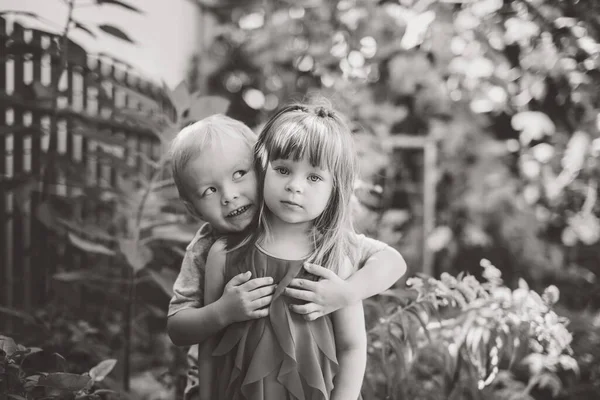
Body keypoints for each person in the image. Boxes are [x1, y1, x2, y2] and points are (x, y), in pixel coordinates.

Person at [166, 112, 407, 399]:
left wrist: (347, 293)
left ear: (259, 166)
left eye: (240, 174)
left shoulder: (331, 250)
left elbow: (392, 263)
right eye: (209, 190)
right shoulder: (213, 250)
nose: (229, 195)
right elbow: (188, 333)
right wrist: (222, 312)